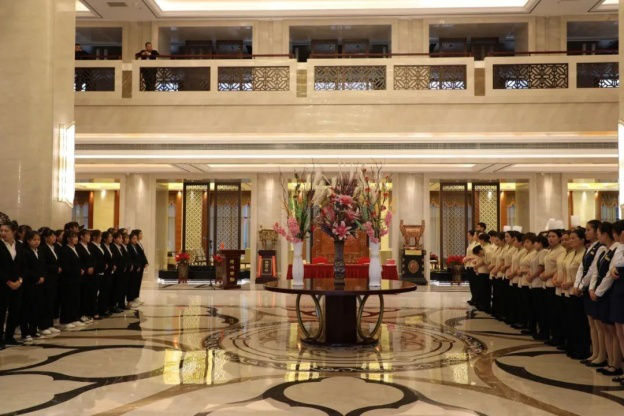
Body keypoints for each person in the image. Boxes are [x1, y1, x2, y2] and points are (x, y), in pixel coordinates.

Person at [590, 221, 623, 377]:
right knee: (607, 329)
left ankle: (615, 363)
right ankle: (610, 361)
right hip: (604, 292)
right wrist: (592, 289)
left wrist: (598, 292)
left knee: (615, 330)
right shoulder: (604, 250)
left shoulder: (618, 248)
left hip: (609, 293)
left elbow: (613, 271)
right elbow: (596, 271)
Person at [539, 230, 567, 346]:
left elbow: (558, 267)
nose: (550, 239)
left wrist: (547, 275)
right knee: (550, 312)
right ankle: (554, 335)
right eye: (549, 237)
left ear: (559, 238)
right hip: (547, 284)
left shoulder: (561, 251)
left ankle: (558, 337)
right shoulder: (550, 250)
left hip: (555, 283)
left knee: (555, 313)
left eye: (553, 236)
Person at [562, 228, 586, 358]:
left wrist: (571, 283)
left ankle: (581, 349)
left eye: (573, 238)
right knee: (570, 320)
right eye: (569, 238)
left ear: (582, 240)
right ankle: (571, 345)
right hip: (567, 291)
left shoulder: (584, 254)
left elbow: (582, 274)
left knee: (579, 322)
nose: (570, 241)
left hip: (577, 291)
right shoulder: (571, 253)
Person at [19, 231, 46, 342]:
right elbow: (25, 269)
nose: (37, 242)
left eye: (38, 240)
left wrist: (43, 276)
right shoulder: (25, 252)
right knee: (27, 308)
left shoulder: (40, 252)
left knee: (37, 307)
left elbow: (43, 267)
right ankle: (25, 332)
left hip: (40, 284)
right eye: (34, 239)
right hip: (29, 284)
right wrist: (36, 278)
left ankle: (33, 330)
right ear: (28, 240)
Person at [0, 222, 23, 348]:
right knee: (1, 311)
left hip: (17, 284)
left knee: (15, 310)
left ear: (13, 231)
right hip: (3, 284)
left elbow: (23, 265)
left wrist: (19, 281)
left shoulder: (19, 245)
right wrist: (8, 282)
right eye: (1, 231)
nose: (3, 233)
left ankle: (9, 336)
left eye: (6, 231)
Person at [609, 220, 624, 385]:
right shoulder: (620, 248)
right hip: (619, 291)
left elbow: (619, 263)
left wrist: (622, 245)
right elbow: (614, 265)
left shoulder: (621, 247)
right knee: (619, 330)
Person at [59, 231, 84, 330]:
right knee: (68, 300)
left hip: (76, 279)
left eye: (76, 237)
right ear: (68, 239)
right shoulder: (65, 250)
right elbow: (66, 266)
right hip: (68, 279)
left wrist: (81, 269)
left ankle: (74, 318)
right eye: (74, 237)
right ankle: (65, 321)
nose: (76, 239)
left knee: (75, 299)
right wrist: (77, 271)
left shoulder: (75, 249)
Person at [40, 228, 61, 335]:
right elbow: (44, 264)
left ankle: (50, 324)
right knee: (46, 302)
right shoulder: (43, 248)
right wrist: (55, 268)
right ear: (45, 238)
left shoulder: (54, 247)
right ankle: (43, 325)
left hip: (54, 279)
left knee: (52, 302)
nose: (54, 238)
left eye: (54, 236)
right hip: (48, 279)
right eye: (51, 236)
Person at [76, 229, 95, 323]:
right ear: (82, 236)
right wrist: (86, 268)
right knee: (82, 294)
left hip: (91, 274)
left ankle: (88, 313)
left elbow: (93, 258)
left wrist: (92, 267)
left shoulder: (89, 246)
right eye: (87, 235)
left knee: (89, 294)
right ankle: (81, 314)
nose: (89, 237)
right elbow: (79, 260)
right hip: (83, 274)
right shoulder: (78, 247)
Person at [89, 230, 106, 320]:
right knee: (93, 293)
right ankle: (93, 311)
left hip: (101, 272)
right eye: (100, 236)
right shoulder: (91, 246)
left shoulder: (99, 245)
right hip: (96, 272)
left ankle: (99, 309)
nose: (101, 238)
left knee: (99, 292)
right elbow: (94, 259)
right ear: (95, 237)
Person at [99, 231, 115, 317]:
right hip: (105, 272)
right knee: (104, 291)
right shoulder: (102, 246)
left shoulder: (109, 247)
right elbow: (104, 259)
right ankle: (102, 309)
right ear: (105, 239)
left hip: (110, 271)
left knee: (108, 290)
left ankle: (106, 307)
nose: (111, 238)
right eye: (109, 237)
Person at [110, 232, 127, 312]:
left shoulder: (121, 247)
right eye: (119, 238)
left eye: (121, 238)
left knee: (121, 288)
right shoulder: (112, 247)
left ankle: (120, 304)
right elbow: (114, 259)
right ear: (114, 239)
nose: (121, 239)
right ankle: (114, 305)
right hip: (116, 271)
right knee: (115, 288)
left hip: (121, 271)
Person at [464, 230, 477, 306]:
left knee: (474, 283)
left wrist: (468, 258)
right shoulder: (470, 244)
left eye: (469, 235)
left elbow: (476, 255)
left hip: (473, 265)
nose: (467, 237)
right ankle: (473, 297)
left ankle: (475, 298)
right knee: (471, 283)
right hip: (468, 265)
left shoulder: (475, 244)